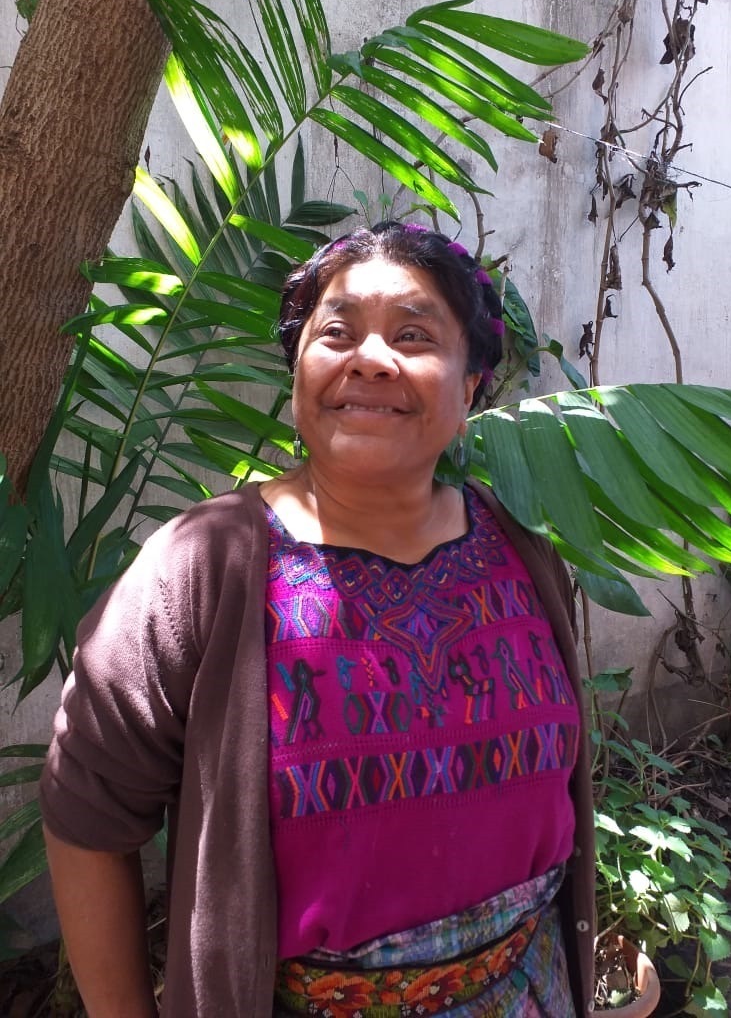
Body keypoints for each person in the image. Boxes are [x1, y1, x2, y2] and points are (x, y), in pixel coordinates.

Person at [41, 221, 596, 1017]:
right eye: (336, 332)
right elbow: (87, 812)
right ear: (299, 371)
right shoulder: (201, 568)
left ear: (470, 385)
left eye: (413, 335)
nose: (371, 359)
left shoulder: (520, 554)